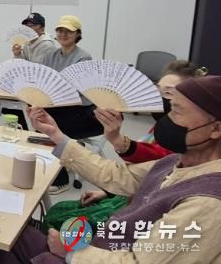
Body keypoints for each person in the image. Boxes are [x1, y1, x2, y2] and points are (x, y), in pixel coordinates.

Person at [0, 75, 221, 264]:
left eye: (177, 111)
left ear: (216, 129)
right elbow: (117, 176)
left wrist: (72, 252)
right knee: (10, 236)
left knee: (9, 241)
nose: (167, 119)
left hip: (101, 255)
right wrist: (56, 134)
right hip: (106, 244)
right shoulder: (179, 161)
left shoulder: (208, 202)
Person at [43, 60, 208, 231]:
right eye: (157, 90)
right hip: (133, 192)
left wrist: (117, 140)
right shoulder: (163, 128)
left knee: (63, 221)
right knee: (60, 210)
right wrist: (108, 192)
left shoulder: (188, 148)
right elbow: (135, 176)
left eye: (168, 93)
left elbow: (154, 165)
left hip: (147, 210)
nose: (159, 98)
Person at [38, 15, 102, 194]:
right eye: (60, 30)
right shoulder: (50, 55)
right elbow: (43, 78)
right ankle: (49, 165)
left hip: (80, 109)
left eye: (68, 31)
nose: (63, 34)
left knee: (51, 127)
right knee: (37, 116)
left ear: (77, 34)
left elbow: (77, 90)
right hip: (56, 105)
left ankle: (61, 179)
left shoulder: (83, 57)